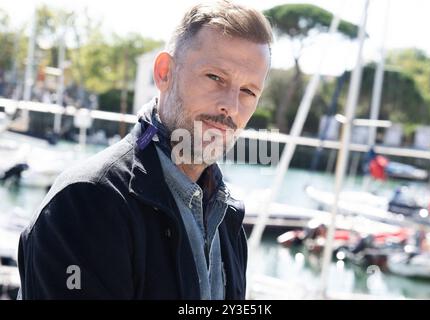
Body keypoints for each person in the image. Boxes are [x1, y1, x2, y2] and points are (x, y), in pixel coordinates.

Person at [17, 1, 272, 300]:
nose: (231, 105)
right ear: (164, 73)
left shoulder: (227, 216)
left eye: (248, 91)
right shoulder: (87, 202)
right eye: (215, 77)